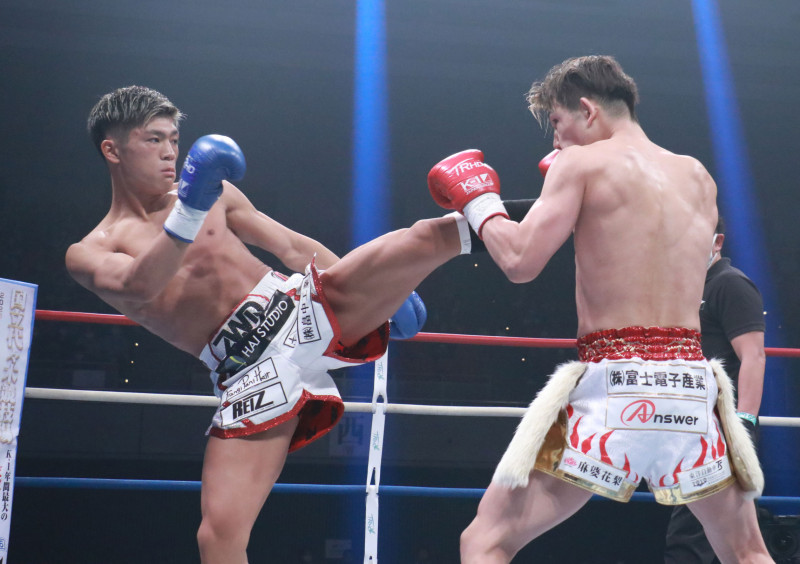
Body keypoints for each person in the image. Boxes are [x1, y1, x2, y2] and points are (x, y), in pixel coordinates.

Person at [66, 85, 472, 564]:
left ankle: (522, 218)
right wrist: (190, 210)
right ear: (112, 150)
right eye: (154, 140)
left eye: (174, 139)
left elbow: (292, 247)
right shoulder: (91, 250)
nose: (170, 152)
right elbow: (139, 285)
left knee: (425, 236)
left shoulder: (216, 194)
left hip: (298, 308)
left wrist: (378, 290)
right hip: (245, 371)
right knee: (218, 537)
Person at [427, 55, 772, 563]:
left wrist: (480, 203)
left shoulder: (582, 164)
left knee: (485, 541)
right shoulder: (699, 177)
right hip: (691, 392)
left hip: (614, 390)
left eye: (557, 123)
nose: (555, 141)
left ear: (588, 110)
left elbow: (520, 261)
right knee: (747, 553)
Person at [664, 215, 767, 563]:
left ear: (717, 242)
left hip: (722, 429)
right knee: (726, 542)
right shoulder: (688, 288)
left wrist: (744, 424)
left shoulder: (730, 284)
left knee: (695, 542)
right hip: (691, 427)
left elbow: (753, 356)